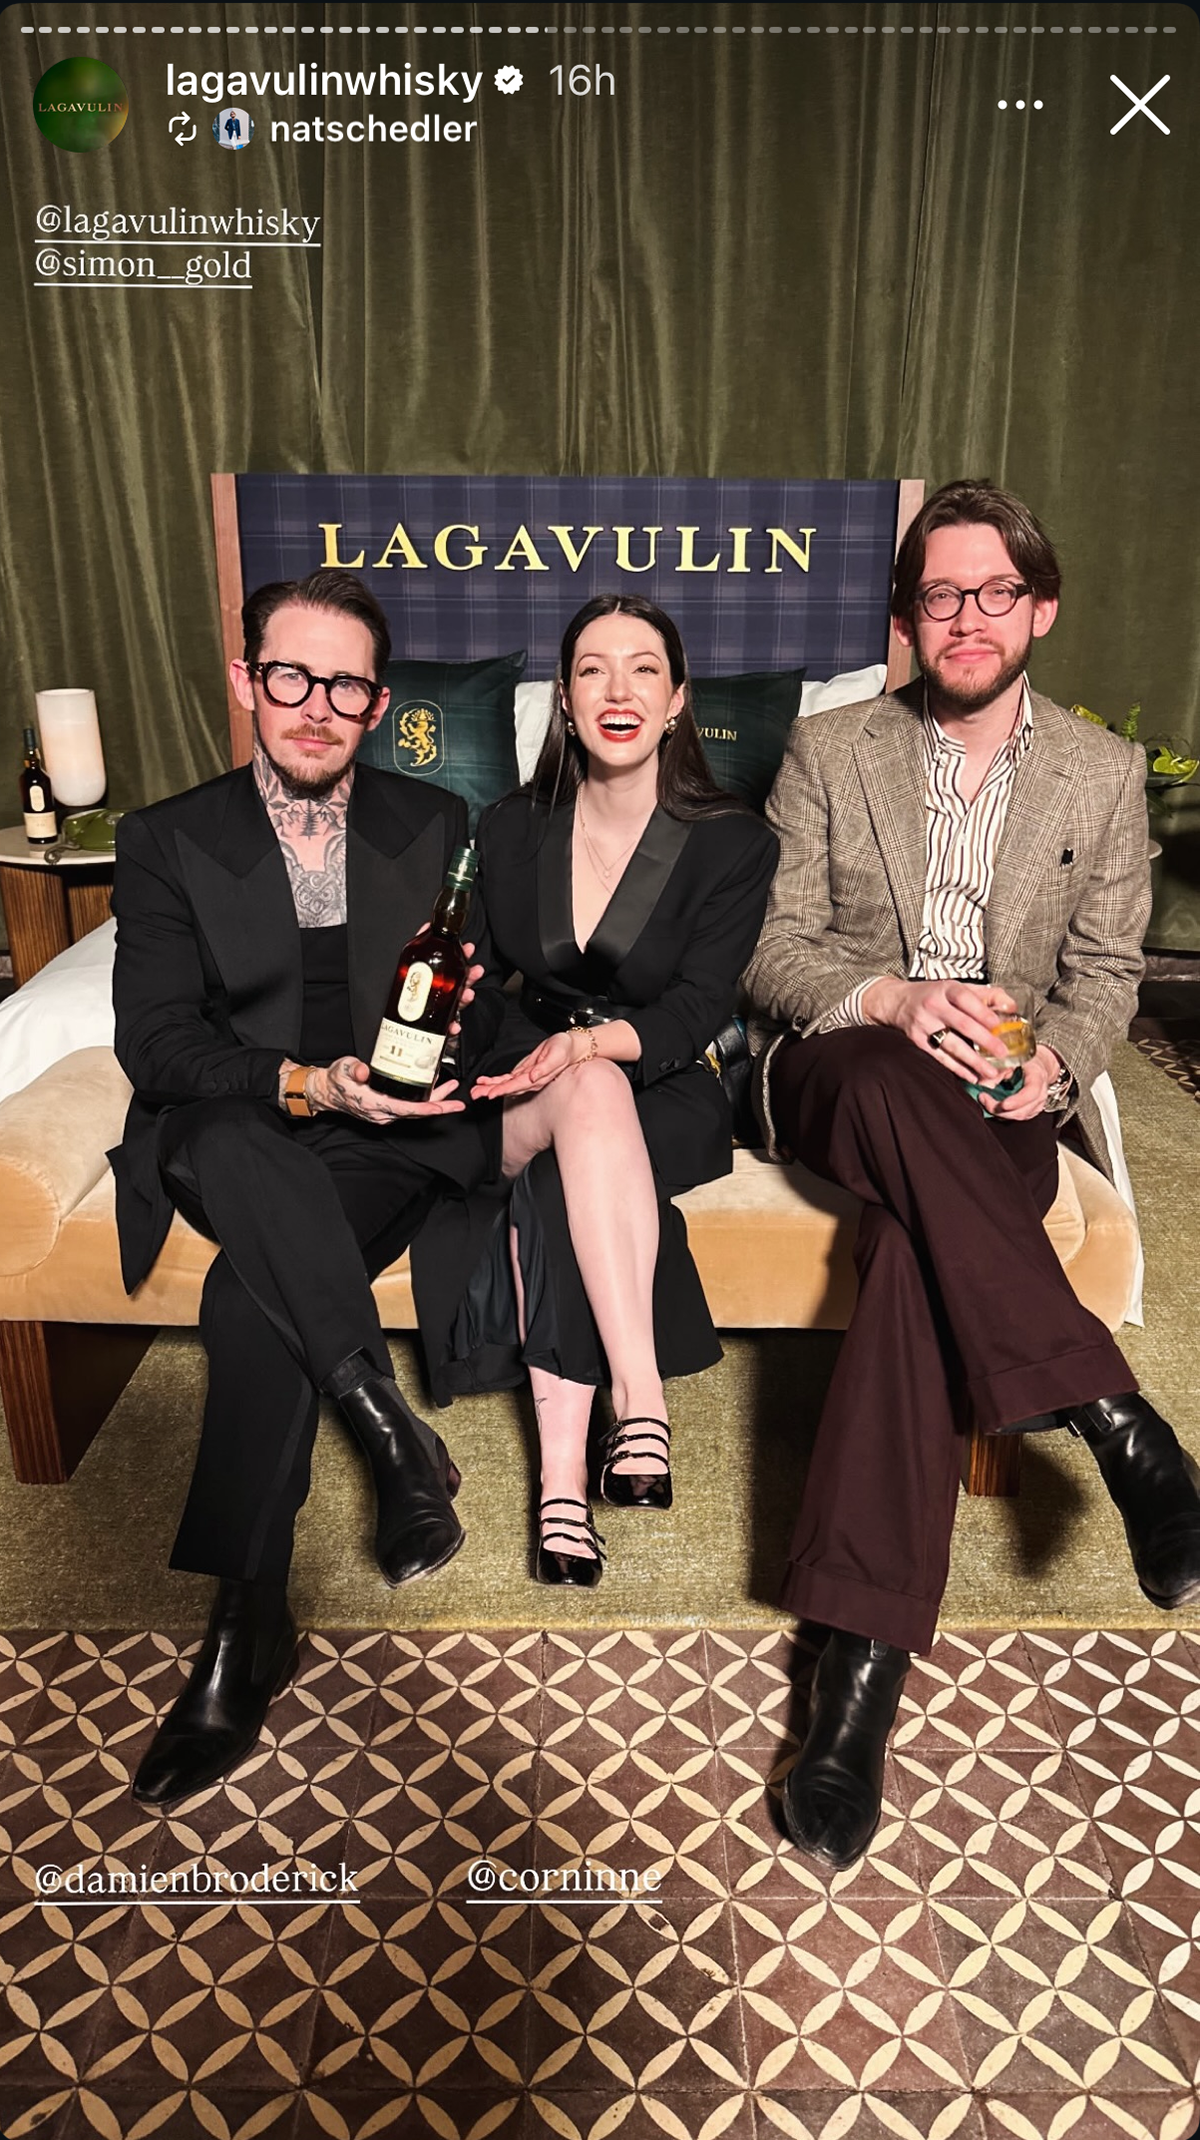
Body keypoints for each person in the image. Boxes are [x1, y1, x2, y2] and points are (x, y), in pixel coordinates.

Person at [743, 479, 1200, 1871]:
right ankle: (1117, 1415)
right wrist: (891, 1000)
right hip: (842, 1064)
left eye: (994, 591)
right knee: (892, 1080)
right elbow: (771, 947)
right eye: (939, 594)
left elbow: (1106, 974)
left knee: (906, 1255)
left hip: (999, 1096)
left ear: (1039, 609)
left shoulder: (1099, 774)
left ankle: (857, 1674)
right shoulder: (831, 749)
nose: (967, 617)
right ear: (907, 618)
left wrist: (1050, 1070)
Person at [110, 569, 504, 1811]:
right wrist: (297, 1081)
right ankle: (389, 1431)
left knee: (248, 1296)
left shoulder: (436, 825)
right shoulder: (169, 836)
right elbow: (155, 1041)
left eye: (346, 685)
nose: (316, 705)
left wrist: (443, 1052)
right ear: (247, 680)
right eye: (291, 675)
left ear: (378, 704)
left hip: (383, 1138)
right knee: (231, 1144)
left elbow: (479, 1002)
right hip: (241, 1116)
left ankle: (248, 1623)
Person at [434, 594, 778, 1586]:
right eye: (592, 669)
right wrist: (453, 1048)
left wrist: (588, 1048)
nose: (617, 690)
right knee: (576, 1091)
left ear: (678, 700)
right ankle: (641, 1397)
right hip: (529, 1074)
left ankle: (558, 1481)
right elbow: (477, 985)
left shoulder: (734, 842)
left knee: (568, 1146)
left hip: (663, 1076)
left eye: (643, 670)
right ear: (564, 697)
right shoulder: (509, 827)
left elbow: (701, 1005)